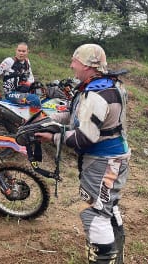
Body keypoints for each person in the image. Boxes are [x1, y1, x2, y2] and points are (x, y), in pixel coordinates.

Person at [35, 44, 130, 263]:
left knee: (95, 213)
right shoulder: (106, 85)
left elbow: (84, 138)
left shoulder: (96, 94)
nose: (71, 65)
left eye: (74, 61)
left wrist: (53, 137)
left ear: (87, 65)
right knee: (108, 207)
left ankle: (104, 260)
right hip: (113, 157)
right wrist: (48, 120)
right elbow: (74, 115)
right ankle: (116, 258)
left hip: (103, 161)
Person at [0, 42, 41, 115]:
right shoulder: (9, 61)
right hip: (10, 93)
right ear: (16, 51)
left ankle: (28, 114)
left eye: (23, 51)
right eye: (19, 51)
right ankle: (33, 120)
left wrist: (28, 83)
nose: (21, 53)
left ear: (27, 52)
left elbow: (31, 76)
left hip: (22, 91)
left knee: (39, 92)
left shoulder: (27, 62)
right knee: (34, 99)